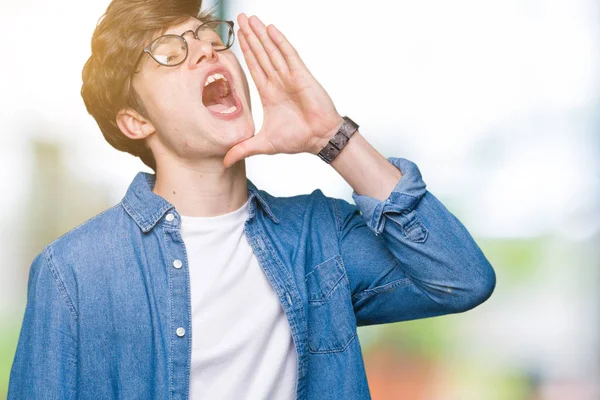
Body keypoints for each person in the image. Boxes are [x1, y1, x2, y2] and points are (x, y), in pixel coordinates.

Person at [7, 0, 496, 399]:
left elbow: (462, 279)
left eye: (211, 39)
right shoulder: (73, 271)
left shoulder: (318, 234)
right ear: (136, 121)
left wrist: (331, 135)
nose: (205, 52)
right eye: (170, 52)